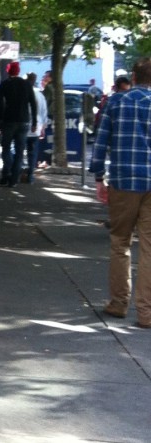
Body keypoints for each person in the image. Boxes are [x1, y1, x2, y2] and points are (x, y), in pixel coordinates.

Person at [89, 57, 151, 329]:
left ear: (134, 77)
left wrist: (99, 177)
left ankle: (118, 303)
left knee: (120, 243)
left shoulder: (116, 102)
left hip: (124, 180)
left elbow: (101, 141)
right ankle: (146, 312)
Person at [0, 62, 37, 188]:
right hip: (24, 121)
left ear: (8, 71)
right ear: (18, 71)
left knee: (6, 147)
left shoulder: (5, 84)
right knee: (20, 151)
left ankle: (7, 169)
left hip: (9, 120)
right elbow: (33, 103)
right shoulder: (26, 84)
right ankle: (13, 179)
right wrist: (34, 121)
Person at [24, 72, 49, 183]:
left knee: (17, 150)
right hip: (36, 128)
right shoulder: (40, 95)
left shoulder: (23, 93)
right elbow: (44, 112)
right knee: (32, 153)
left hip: (23, 126)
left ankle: (17, 171)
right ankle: (30, 175)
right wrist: (43, 127)